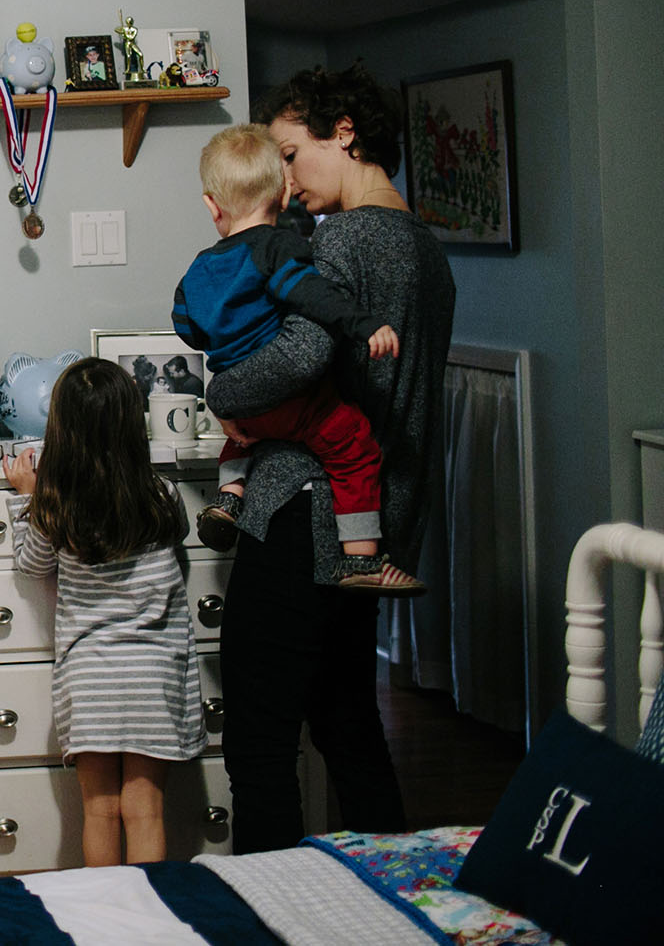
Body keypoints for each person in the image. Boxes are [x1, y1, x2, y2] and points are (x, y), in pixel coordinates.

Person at [203, 66, 455, 855]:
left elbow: (303, 355)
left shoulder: (342, 238)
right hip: (373, 521)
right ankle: (394, 895)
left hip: (303, 509)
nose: (283, 177)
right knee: (348, 722)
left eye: (289, 151)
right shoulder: (425, 246)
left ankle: (269, 915)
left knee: (258, 737)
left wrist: (222, 392)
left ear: (343, 132)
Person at [171, 123, 421, 595]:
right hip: (293, 403)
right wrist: (364, 324)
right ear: (283, 195)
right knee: (354, 447)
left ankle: (228, 497)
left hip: (245, 411)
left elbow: (185, 323)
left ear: (211, 205)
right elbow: (310, 296)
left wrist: (223, 351)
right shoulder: (279, 247)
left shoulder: (200, 266)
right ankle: (360, 558)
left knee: (242, 438)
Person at [0, 358, 204, 866]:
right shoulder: (161, 494)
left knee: (100, 811)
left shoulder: (56, 503)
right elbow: (178, 535)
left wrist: (26, 496)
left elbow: (30, 565)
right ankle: (150, 917)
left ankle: (104, 924)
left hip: (91, 676)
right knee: (145, 810)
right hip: (154, 673)